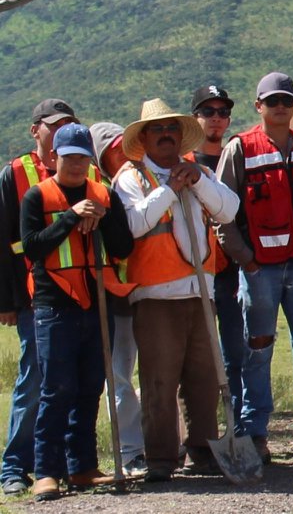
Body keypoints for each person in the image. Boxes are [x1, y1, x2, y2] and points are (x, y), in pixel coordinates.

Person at [213, 72, 293, 460]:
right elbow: (222, 213)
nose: (281, 107)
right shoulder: (240, 148)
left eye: (287, 101)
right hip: (260, 271)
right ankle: (256, 434)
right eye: (273, 102)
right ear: (259, 106)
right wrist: (247, 262)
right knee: (258, 350)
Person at [112, 99, 240, 481]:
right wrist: (169, 189)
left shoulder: (199, 171)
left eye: (172, 130)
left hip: (200, 293)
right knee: (159, 382)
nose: (166, 136)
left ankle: (203, 450)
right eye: (158, 130)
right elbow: (134, 225)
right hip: (155, 297)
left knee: (203, 378)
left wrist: (198, 181)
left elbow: (229, 210)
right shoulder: (130, 178)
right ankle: (162, 459)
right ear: (145, 138)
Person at [19, 123, 135, 500]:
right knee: (56, 390)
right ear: (55, 157)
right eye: (68, 158)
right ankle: (46, 472)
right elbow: (32, 248)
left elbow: (124, 246)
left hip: (96, 301)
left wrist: (102, 216)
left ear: (90, 160)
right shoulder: (37, 197)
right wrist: (70, 217)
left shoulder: (104, 194)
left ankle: (81, 467)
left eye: (82, 159)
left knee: (90, 388)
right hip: (55, 305)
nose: (75, 165)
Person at [1, 99, 81, 496]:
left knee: (72, 383)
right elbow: (4, 243)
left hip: (77, 297)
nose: (59, 131)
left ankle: (63, 464)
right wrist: (7, 301)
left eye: (67, 124)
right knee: (35, 381)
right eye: (53, 125)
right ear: (35, 130)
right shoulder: (15, 173)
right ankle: (14, 467)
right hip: (34, 297)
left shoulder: (85, 171)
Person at [86, 122, 146, 477]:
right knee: (120, 378)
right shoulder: (99, 193)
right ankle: (130, 450)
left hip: (151, 293)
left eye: (124, 146)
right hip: (117, 302)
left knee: (160, 375)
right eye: (113, 150)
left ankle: (166, 444)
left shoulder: (143, 181)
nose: (121, 154)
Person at [188, 85, 247, 419]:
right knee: (198, 355)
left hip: (234, 269)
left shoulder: (237, 158)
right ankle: (201, 426)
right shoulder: (184, 163)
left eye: (222, 112)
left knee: (237, 353)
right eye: (208, 112)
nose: (216, 119)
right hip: (196, 271)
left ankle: (237, 424)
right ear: (195, 118)